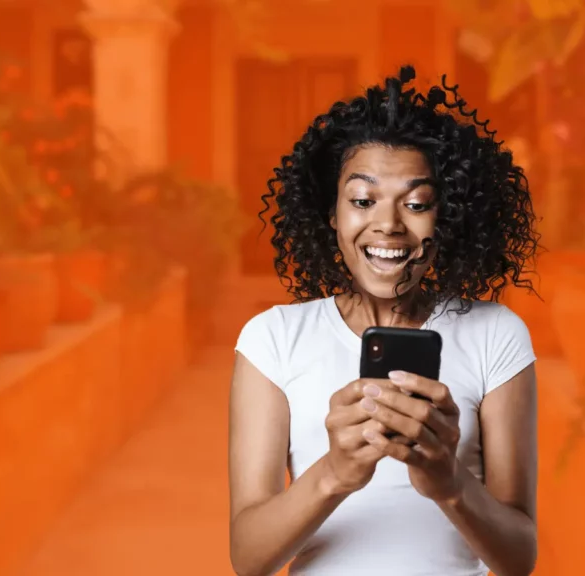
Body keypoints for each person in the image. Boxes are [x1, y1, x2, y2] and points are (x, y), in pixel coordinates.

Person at [228, 65, 540, 576]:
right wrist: (334, 473)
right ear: (332, 214)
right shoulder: (273, 339)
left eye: (416, 203)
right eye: (362, 200)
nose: (389, 224)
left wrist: (450, 484)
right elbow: (249, 557)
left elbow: (518, 558)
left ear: (446, 217)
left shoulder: (496, 335)